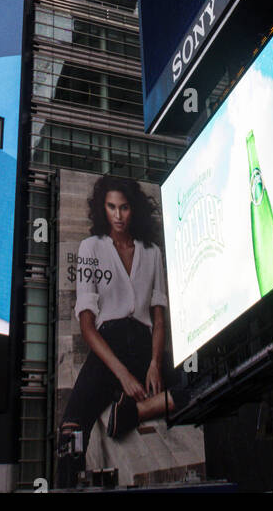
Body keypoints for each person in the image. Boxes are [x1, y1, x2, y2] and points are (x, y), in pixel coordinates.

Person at [58, 175, 186, 477]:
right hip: (109, 345)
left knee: (196, 383)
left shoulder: (152, 252)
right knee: (70, 431)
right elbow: (87, 325)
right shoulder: (90, 248)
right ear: (103, 208)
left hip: (144, 344)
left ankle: (135, 412)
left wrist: (155, 363)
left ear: (134, 209)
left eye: (124, 208)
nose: (118, 216)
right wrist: (125, 377)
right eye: (111, 207)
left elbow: (157, 317)